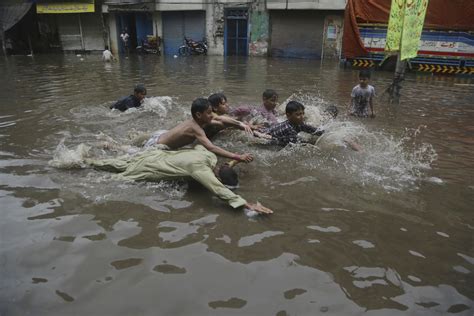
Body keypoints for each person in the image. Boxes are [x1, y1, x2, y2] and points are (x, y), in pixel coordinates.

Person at [86, 145, 272, 214]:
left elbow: (206, 152)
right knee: (108, 178)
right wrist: (247, 205)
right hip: (146, 168)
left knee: (98, 163)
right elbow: (218, 189)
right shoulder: (200, 170)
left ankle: (80, 160)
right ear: (216, 175)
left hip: (149, 156)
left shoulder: (206, 155)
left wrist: (234, 161)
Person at [149, 98, 254, 162]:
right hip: (158, 146)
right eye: (209, 113)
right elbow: (212, 148)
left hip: (161, 135)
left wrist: (243, 125)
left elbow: (221, 120)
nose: (212, 116)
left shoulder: (197, 120)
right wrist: (237, 157)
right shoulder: (195, 129)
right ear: (199, 115)